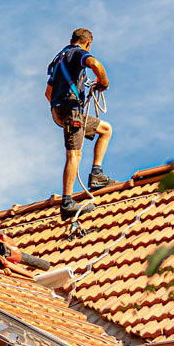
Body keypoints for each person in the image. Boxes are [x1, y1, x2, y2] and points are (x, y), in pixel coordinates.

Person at [46, 28, 115, 220]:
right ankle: (67, 202)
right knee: (74, 154)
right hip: (71, 111)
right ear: (88, 43)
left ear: (71, 39)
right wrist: (104, 82)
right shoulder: (78, 53)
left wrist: (59, 110)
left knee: (105, 129)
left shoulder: (59, 58)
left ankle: (97, 175)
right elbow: (95, 64)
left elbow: (48, 93)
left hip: (60, 110)